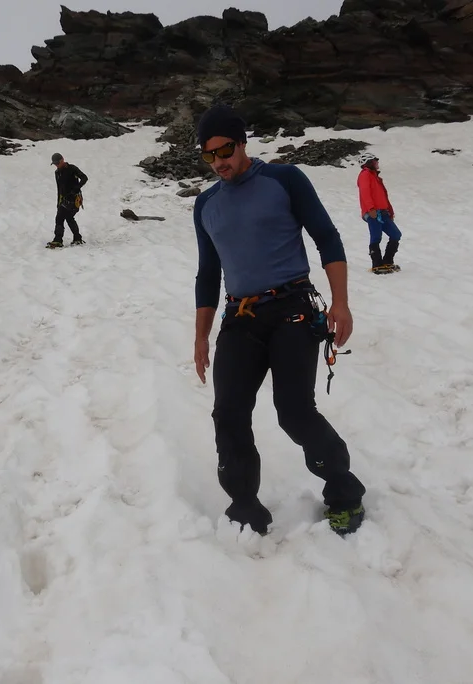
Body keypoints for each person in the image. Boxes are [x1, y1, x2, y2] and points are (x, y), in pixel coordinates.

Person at [191, 103, 367, 537]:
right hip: (240, 317)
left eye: (225, 150)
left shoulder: (284, 179)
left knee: (294, 411)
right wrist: (201, 336)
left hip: (292, 307)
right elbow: (208, 273)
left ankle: (344, 492)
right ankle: (244, 505)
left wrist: (341, 303)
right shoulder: (206, 204)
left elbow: (326, 238)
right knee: (228, 413)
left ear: (242, 142)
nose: (218, 162)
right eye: (209, 155)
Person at [356, 153, 402, 273]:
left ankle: (387, 261)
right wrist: (371, 209)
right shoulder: (365, 175)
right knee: (376, 236)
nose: (377, 163)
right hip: (373, 212)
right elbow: (365, 192)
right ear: (368, 163)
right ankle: (377, 264)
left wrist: (390, 211)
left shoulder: (375, 177)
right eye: (374, 161)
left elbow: (383, 196)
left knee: (396, 234)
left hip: (382, 212)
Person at [47, 152, 88, 248]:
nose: (56, 165)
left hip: (74, 199)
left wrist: (77, 188)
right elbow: (59, 189)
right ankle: (72, 238)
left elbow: (84, 178)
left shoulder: (72, 169)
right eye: (55, 164)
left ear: (62, 160)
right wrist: (58, 202)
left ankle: (62, 239)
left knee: (64, 218)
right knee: (64, 218)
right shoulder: (57, 173)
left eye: (57, 163)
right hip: (63, 200)